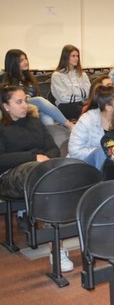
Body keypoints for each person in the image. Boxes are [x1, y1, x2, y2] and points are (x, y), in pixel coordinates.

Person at [0, 87, 63, 270]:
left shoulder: (34, 122)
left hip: (40, 171)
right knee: (44, 175)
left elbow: (53, 148)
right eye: (18, 102)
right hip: (8, 177)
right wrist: (33, 157)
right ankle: (55, 246)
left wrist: (45, 159)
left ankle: (54, 243)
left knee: (62, 169)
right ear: (5, 106)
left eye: (25, 101)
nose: (24, 105)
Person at [1, 49, 73, 130]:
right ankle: (68, 124)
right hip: (19, 104)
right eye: (21, 60)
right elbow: (6, 98)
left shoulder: (29, 77)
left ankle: (52, 136)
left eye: (25, 59)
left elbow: (36, 94)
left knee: (46, 115)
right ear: (13, 62)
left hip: (32, 105)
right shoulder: (6, 78)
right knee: (39, 100)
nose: (26, 62)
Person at [68, 85, 114, 169]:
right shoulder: (87, 119)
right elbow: (75, 151)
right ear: (108, 107)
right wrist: (106, 151)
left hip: (113, 164)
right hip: (81, 165)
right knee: (102, 152)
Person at [50, 44, 91, 120]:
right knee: (86, 113)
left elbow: (88, 93)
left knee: (95, 110)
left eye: (77, 56)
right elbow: (63, 98)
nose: (76, 58)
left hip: (82, 104)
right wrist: (80, 93)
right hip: (65, 106)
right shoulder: (57, 76)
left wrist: (71, 90)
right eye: (73, 56)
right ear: (66, 57)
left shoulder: (82, 74)